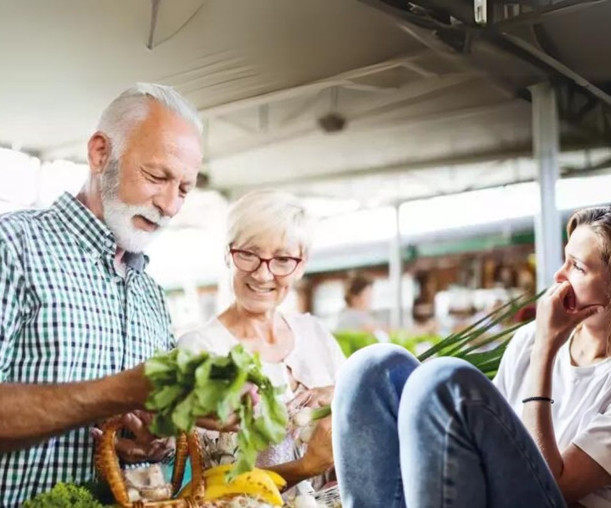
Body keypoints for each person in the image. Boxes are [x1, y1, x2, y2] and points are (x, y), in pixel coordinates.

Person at [0, 83, 204, 506]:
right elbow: (127, 389)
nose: (170, 205)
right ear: (99, 153)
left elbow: (152, 426)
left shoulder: (151, 292)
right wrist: (122, 389)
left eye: (184, 188)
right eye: (157, 176)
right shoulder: (12, 246)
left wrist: (154, 440)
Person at [332, 205, 611, 508]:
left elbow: (555, 488)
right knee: (374, 369)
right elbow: (494, 444)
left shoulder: (540, 341)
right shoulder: (528, 338)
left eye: (578, 267)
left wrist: (545, 350)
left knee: (442, 382)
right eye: (564, 260)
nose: (559, 275)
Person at [179, 189, 345, 497]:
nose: (263, 273)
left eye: (282, 259)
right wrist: (306, 467)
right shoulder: (200, 349)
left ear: (301, 265)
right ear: (228, 253)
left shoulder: (316, 335)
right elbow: (210, 485)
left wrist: (344, 398)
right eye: (249, 254)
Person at [336, 272, 388, 341]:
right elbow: (371, 328)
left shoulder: (365, 316)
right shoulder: (349, 317)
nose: (371, 299)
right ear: (354, 297)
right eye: (367, 295)